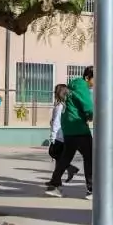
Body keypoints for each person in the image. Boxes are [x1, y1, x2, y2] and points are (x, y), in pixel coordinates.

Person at [45, 67, 94, 198]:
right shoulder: (82, 86)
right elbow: (88, 106)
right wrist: (93, 115)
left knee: (66, 157)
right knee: (90, 157)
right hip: (78, 127)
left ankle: (54, 185)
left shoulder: (73, 86)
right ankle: (91, 188)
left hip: (69, 128)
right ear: (88, 77)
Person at [46, 84, 79, 183]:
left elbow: (56, 123)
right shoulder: (67, 106)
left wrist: (52, 138)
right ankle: (56, 180)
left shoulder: (59, 106)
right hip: (67, 136)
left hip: (59, 137)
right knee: (59, 158)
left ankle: (69, 169)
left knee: (53, 152)